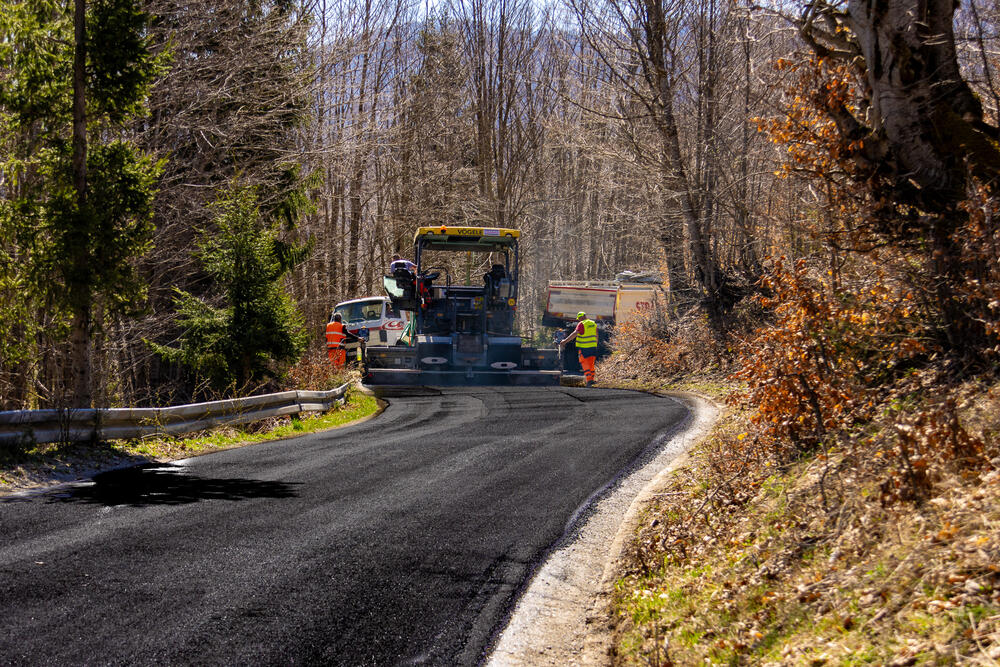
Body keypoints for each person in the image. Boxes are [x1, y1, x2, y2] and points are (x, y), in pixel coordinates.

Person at [559, 311, 598, 386]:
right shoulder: (593, 323)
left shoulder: (581, 324)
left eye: (579, 318)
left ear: (581, 317)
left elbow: (574, 334)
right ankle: (592, 380)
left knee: (585, 363)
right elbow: (596, 335)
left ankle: (589, 380)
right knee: (591, 364)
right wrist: (595, 344)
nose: (579, 320)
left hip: (584, 348)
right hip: (593, 347)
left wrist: (565, 341)